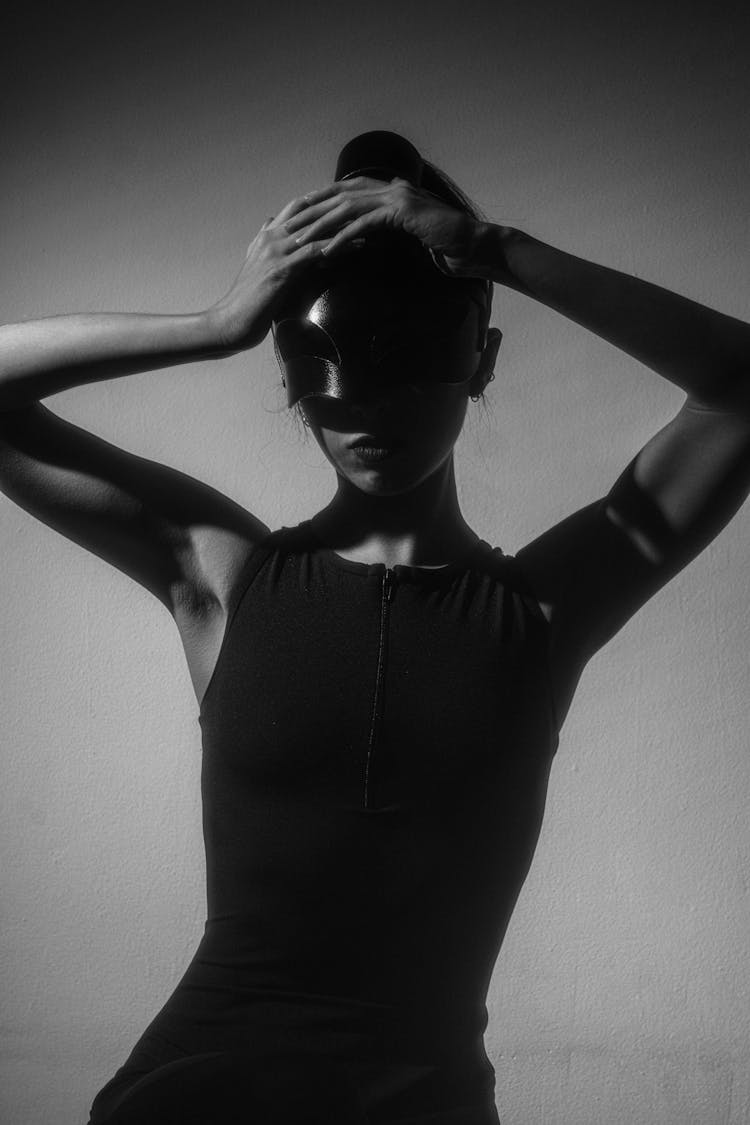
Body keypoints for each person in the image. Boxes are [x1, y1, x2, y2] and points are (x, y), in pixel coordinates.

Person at [0, 130, 748, 1125]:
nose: (371, 406)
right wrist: (217, 323)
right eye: (332, 361)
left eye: (414, 359)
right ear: (292, 369)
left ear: (479, 359)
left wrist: (494, 249)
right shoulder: (222, 576)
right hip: (194, 1093)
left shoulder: (541, 610)